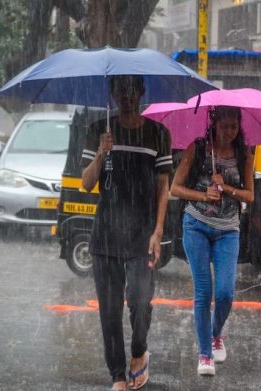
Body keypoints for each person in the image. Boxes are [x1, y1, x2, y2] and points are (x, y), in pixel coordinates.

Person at [81, 75, 172, 391]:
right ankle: (117, 375)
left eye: (133, 89)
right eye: (122, 90)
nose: (128, 95)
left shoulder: (157, 133)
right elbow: (87, 183)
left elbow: (164, 186)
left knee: (140, 299)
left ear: (142, 91)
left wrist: (158, 230)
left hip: (142, 234)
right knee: (109, 310)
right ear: (113, 94)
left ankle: (139, 349)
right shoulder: (98, 130)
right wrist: (101, 154)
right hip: (105, 234)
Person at [170, 106, 255, 376]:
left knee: (225, 294)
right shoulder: (197, 148)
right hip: (196, 225)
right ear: (213, 124)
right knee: (204, 293)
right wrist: (204, 195)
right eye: (224, 126)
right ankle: (205, 354)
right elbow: (175, 188)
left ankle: (216, 333)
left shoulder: (244, 154)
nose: (229, 132)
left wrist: (226, 187)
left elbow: (250, 196)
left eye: (234, 126)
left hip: (228, 230)